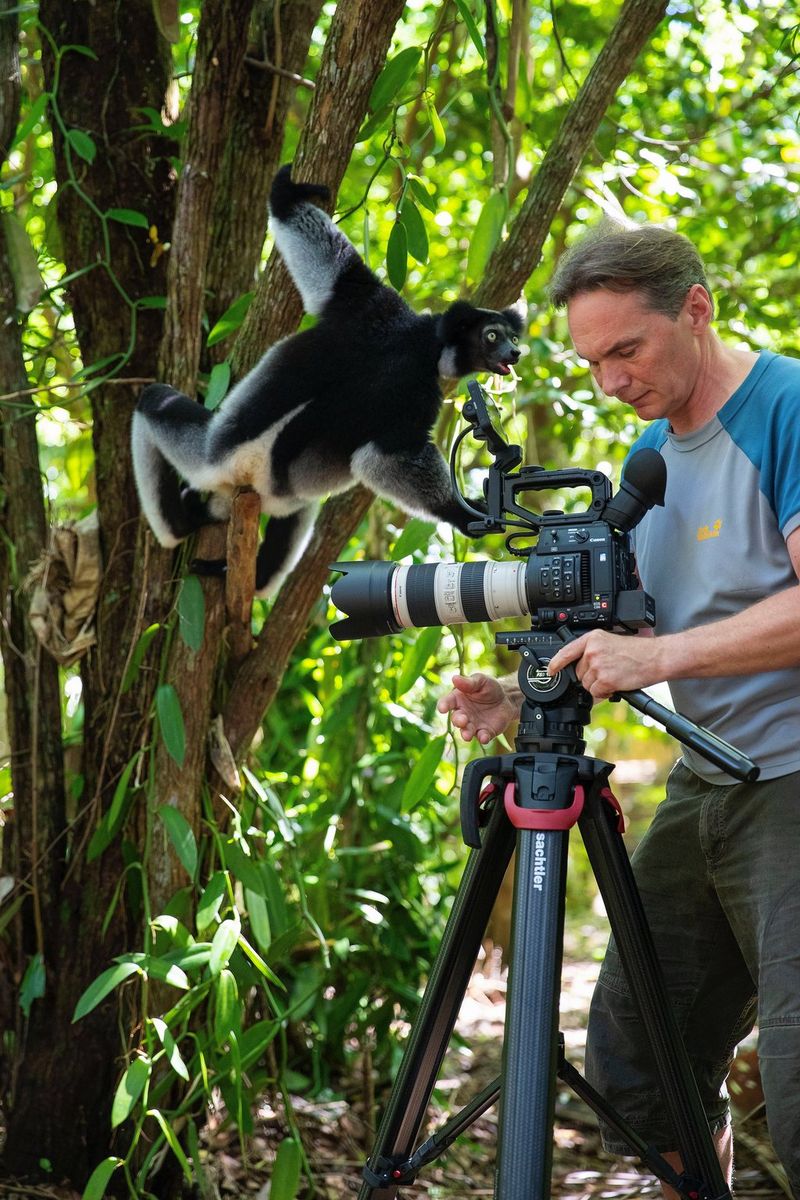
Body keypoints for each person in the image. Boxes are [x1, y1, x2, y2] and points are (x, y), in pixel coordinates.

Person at [437, 222, 800, 1195]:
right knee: (638, 1057)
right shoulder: (646, 455)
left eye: (624, 351)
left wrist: (663, 654)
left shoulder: (785, 406)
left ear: (695, 308)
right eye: (591, 360)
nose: (608, 380)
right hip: (709, 780)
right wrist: (519, 692)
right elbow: (619, 627)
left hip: (793, 781)